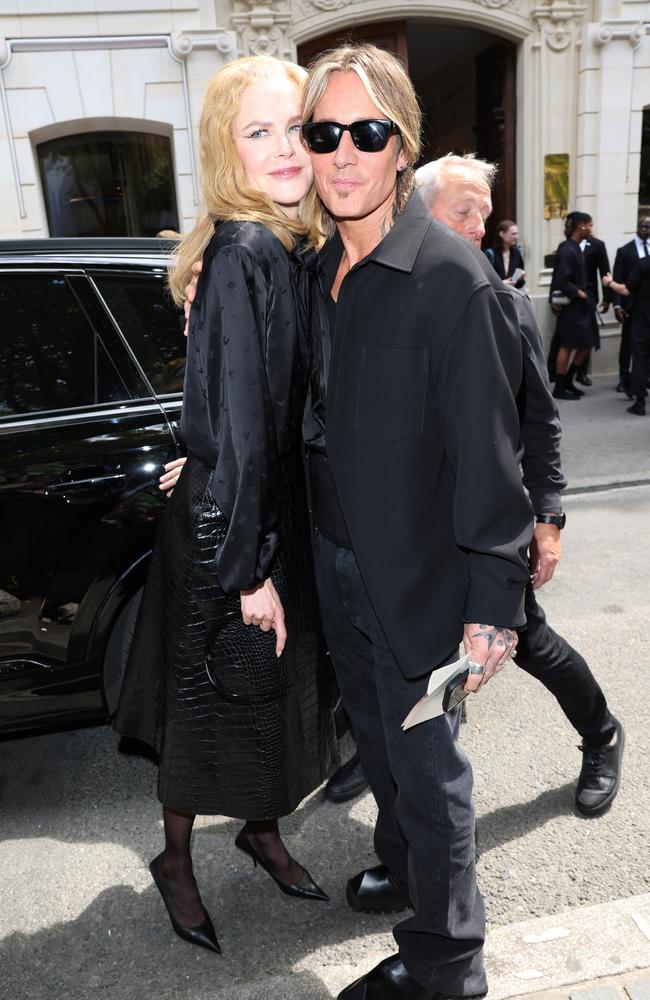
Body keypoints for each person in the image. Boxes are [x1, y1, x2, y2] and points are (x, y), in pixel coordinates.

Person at [299, 44, 532, 1000]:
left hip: (425, 585)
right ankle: (406, 882)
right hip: (338, 564)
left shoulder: (449, 278)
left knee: (432, 784)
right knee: (385, 758)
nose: (344, 152)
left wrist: (493, 607)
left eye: (368, 133)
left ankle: (449, 966)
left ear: (404, 149)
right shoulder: (322, 270)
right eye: (325, 133)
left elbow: (491, 461)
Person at [114, 55, 338, 956]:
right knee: (208, 705)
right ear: (225, 150)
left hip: (254, 511)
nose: (285, 147)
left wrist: (193, 448)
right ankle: (175, 861)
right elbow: (244, 424)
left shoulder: (290, 244)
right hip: (232, 533)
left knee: (265, 699)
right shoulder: (248, 249)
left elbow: (235, 396)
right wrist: (246, 569)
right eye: (259, 132)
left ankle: (261, 829)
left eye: (296, 127)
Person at [416, 153, 624, 811]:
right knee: (411, 649)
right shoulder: (389, 298)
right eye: (463, 211)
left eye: (484, 211)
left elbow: (541, 420)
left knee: (530, 643)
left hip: (487, 524)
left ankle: (603, 734)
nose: (480, 226)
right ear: (419, 216)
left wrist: (550, 518)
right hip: (418, 525)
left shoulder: (502, 304)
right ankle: (389, 752)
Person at [547, 212, 611, 387]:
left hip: (583, 306)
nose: (591, 228)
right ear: (580, 226)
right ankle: (560, 385)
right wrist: (579, 293)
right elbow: (561, 279)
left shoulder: (575, 247)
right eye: (589, 225)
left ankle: (568, 379)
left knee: (589, 342)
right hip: (573, 306)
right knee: (566, 345)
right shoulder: (567, 249)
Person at [612, 215, 650, 395]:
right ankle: (624, 378)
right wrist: (617, 306)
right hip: (630, 307)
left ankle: (642, 380)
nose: (646, 229)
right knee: (627, 345)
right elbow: (620, 280)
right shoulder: (625, 251)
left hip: (646, 309)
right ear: (637, 227)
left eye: (649, 226)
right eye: (644, 225)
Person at [605, 266, 650, 414]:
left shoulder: (645, 264)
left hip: (643, 319)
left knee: (639, 358)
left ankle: (640, 402)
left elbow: (625, 290)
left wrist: (609, 282)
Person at [486, 219, 526, 288]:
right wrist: (501, 284)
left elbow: (520, 284)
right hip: (496, 297)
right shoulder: (489, 254)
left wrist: (520, 278)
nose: (517, 237)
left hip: (511, 296)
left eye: (517, 234)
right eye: (513, 234)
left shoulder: (517, 253)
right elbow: (485, 281)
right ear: (502, 234)